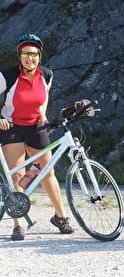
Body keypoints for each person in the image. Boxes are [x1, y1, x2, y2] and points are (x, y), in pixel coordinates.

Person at [0, 33, 73, 240]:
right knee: (16, 174)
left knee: (47, 172)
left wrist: (42, 113)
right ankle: (18, 223)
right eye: (25, 53)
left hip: (35, 127)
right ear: (19, 55)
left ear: (39, 56)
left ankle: (60, 217)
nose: (29, 58)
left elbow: (44, 95)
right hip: (11, 127)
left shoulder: (47, 75)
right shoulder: (7, 76)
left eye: (33, 54)